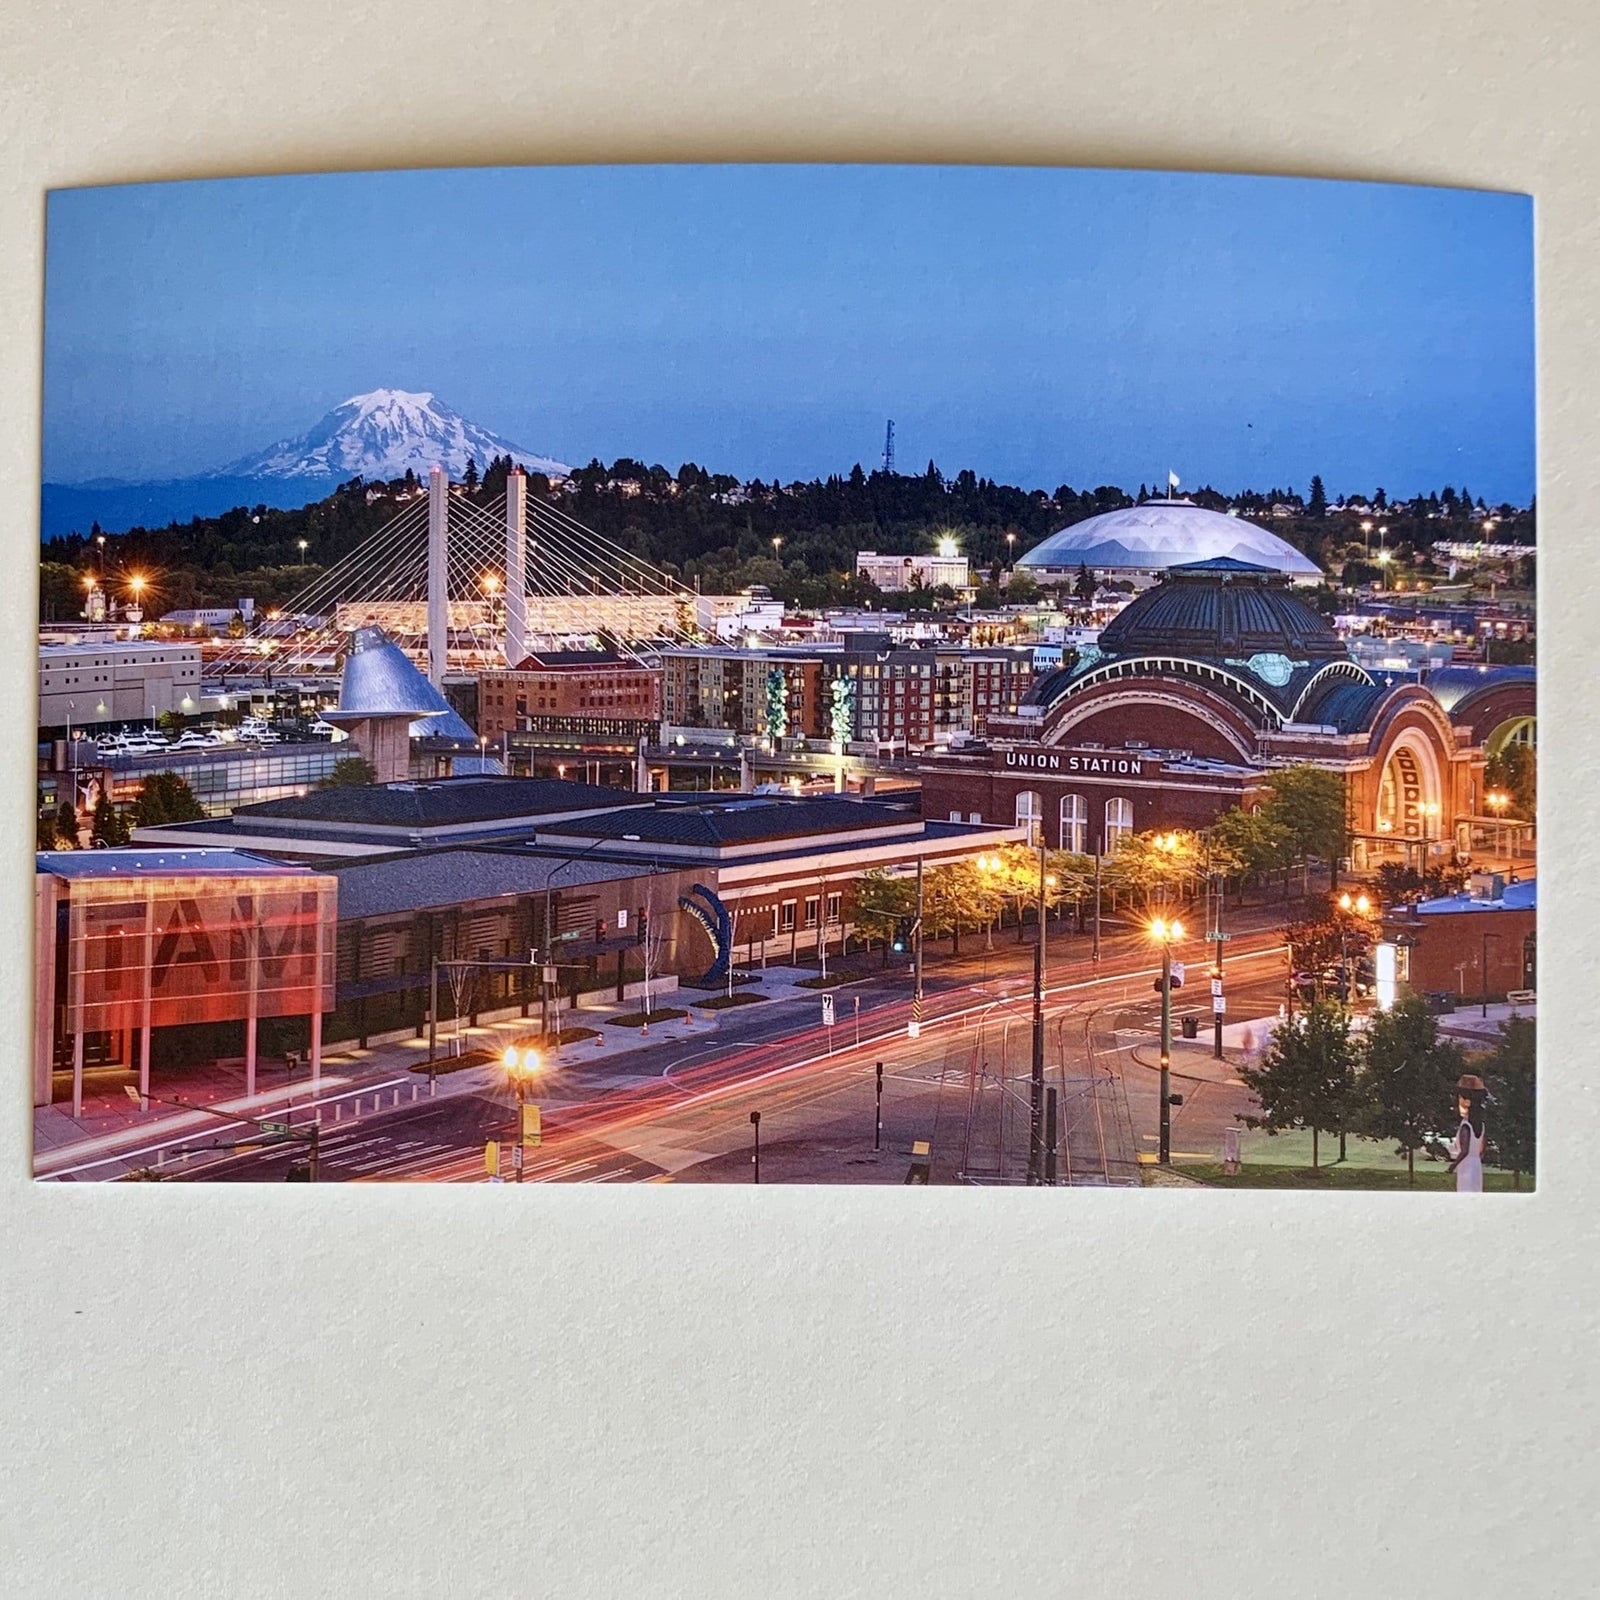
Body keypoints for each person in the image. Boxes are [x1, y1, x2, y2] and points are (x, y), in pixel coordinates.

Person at [1444, 1073, 1488, 1193]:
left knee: (1465, 1190)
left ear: (1467, 1102)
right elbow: (1483, 1149)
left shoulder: (1466, 1126)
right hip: (1476, 1164)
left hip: (1466, 1165)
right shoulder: (1480, 1125)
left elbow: (1465, 1151)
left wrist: (1452, 1166)